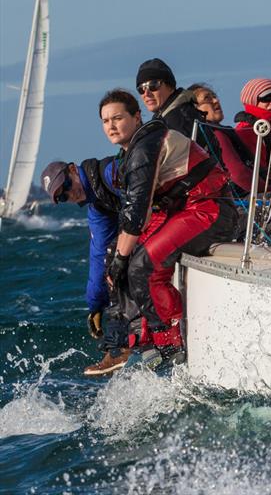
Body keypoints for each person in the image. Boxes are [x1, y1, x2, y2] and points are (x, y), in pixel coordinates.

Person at [100, 88, 238, 364]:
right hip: (186, 211)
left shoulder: (146, 148)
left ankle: (172, 342)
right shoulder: (136, 149)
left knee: (142, 265)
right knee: (119, 257)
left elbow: (138, 213)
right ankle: (141, 336)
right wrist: (117, 257)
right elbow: (141, 214)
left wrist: (122, 258)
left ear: (137, 117)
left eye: (117, 118)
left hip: (211, 210)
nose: (111, 126)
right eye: (105, 121)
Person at [40, 157, 139, 375]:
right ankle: (121, 345)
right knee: (110, 262)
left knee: (118, 258)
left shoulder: (107, 173)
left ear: (73, 169)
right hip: (148, 223)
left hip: (169, 210)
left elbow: (141, 197)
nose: (69, 194)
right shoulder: (96, 205)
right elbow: (97, 255)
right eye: (62, 197)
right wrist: (95, 305)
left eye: (66, 185)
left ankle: (122, 346)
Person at [135, 58, 214, 152]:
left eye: (153, 85)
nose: (146, 93)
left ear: (170, 86)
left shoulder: (179, 119)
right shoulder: (165, 118)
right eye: (141, 89)